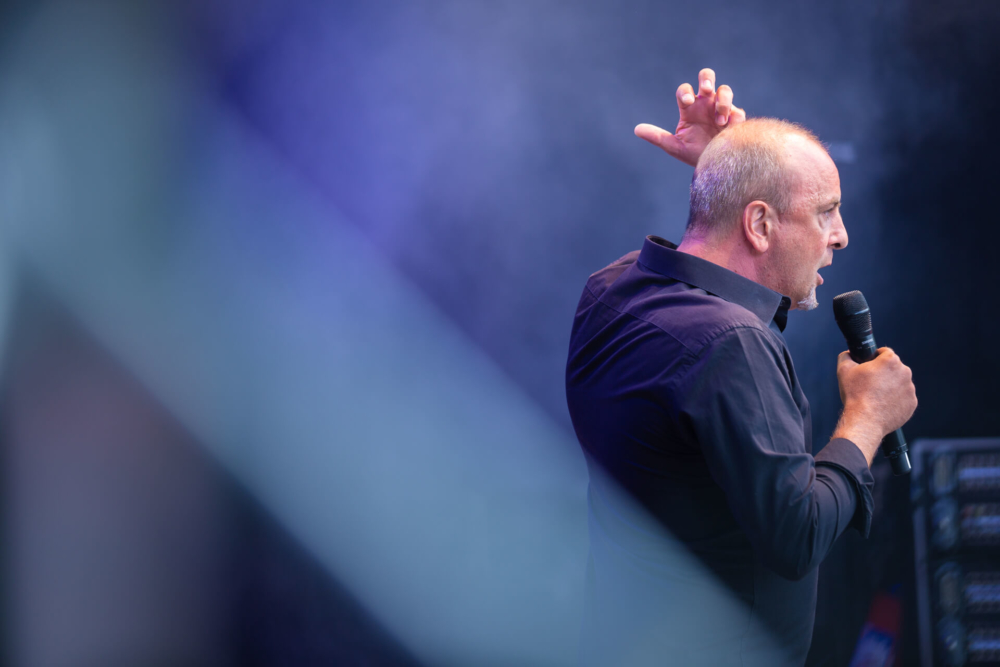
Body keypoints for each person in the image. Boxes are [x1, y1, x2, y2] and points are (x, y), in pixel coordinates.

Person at [565, 68, 918, 666]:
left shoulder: (612, 288)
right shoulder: (731, 345)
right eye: (827, 212)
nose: (842, 235)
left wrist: (727, 167)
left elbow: (722, 244)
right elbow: (798, 534)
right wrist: (867, 417)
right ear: (759, 224)